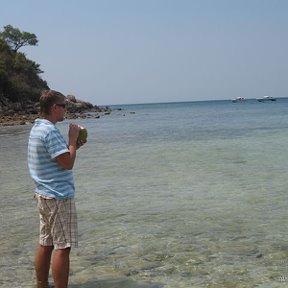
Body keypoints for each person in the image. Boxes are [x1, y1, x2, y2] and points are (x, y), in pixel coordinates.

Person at [28, 89, 86, 288]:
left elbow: (61, 158)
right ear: (54, 107)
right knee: (63, 247)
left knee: (46, 243)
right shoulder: (50, 131)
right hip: (58, 195)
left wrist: (74, 146)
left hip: (43, 193)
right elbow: (67, 164)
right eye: (64, 106)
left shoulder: (38, 128)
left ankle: (42, 284)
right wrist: (72, 138)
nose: (66, 110)